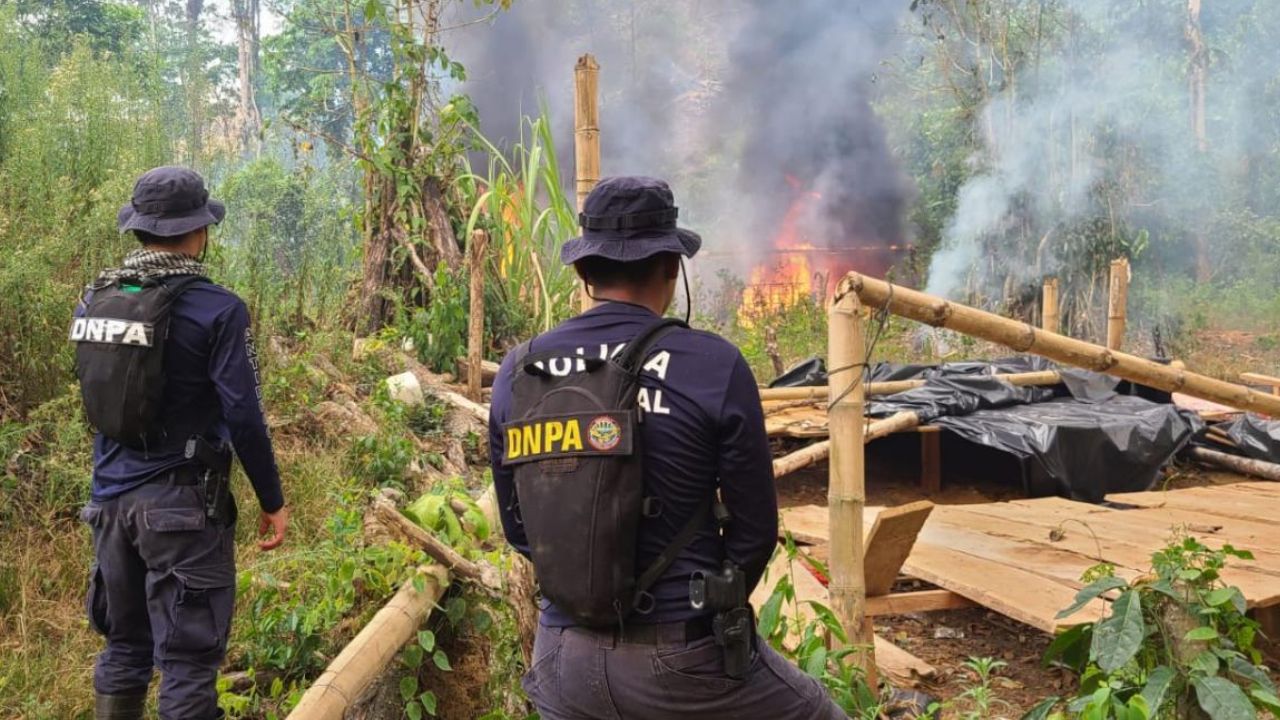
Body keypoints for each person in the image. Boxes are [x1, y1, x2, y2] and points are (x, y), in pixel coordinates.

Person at [488, 176, 845, 719]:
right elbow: (753, 535)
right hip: (684, 658)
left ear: (584, 273)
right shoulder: (714, 365)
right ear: (672, 267)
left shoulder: (520, 368)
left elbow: (519, 530)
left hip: (562, 663)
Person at [75, 167, 289, 720]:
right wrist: (272, 500)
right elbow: (244, 414)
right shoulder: (219, 309)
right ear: (199, 232)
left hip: (108, 505)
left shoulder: (96, 298)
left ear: (141, 230)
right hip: (180, 514)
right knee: (188, 664)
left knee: (124, 646)